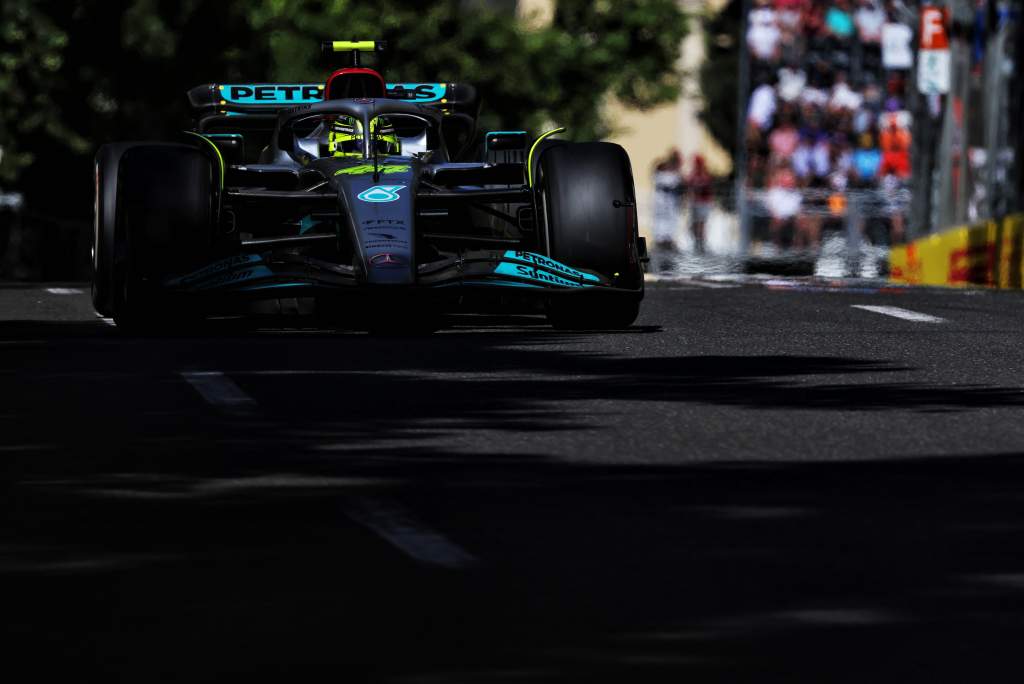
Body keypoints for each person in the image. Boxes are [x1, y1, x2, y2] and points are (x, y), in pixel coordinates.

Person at [651, 149, 685, 270]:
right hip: (661, 201)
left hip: (671, 202)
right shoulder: (661, 174)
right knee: (660, 221)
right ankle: (660, 241)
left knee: (671, 220)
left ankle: (669, 241)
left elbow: (679, 184)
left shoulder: (675, 174)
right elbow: (668, 183)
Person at [687, 155, 714, 254]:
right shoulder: (693, 174)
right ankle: (697, 242)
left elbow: (706, 186)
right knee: (695, 224)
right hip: (695, 203)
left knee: (702, 224)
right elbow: (689, 184)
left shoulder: (705, 174)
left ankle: (701, 243)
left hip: (704, 203)